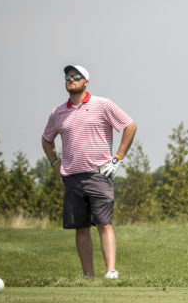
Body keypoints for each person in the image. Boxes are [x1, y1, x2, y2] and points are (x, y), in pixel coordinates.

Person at [41, 65, 137, 279]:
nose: (71, 79)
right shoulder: (58, 113)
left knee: (104, 223)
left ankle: (111, 271)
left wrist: (118, 158)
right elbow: (47, 139)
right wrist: (55, 162)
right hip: (72, 177)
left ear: (86, 82)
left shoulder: (102, 104)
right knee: (81, 227)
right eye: (67, 76)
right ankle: (88, 276)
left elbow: (130, 126)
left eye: (76, 76)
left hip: (99, 174)